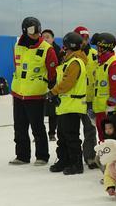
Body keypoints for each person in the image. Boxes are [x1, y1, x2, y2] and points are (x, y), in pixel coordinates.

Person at [10, 17, 58, 166]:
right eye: (32, 30)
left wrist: (52, 90)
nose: (37, 33)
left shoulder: (47, 49)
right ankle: (22, 155)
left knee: (37, 127)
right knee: (19, 126)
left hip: (36, 94)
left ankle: (42, 156)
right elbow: (17, 67)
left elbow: (53, 73)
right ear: (25, 30)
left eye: (38, 30)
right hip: (18, 93)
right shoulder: (17, 46)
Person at [47, 32, 88, 175]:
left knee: (71, 136)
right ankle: (64, 160)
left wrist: (53, 92)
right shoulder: (69, 61)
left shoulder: (75, 62)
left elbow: (67, 83)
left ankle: (76, 164)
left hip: (72, 104)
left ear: (67, 45)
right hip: (65, 104)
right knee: (62, 135)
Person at [73, 26, 99, 169]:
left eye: (86, 38)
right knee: (72, 130)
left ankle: (90, 156)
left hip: (90, 99)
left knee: (90, 129)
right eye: (81, 38)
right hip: (74, 98)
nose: (84, 41)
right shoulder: (70, 54)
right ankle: (73, 156)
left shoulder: (95, 54)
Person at [91, 33, 116, 143]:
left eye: (98, 47)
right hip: (100, 108)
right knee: (102, 138)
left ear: (104, 47)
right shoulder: (100, 64)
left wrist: (111, 105)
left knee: (111, 139)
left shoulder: (114, 64)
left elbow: (115, 86)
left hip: (109, 110)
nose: (97, 49)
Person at [41, 29, 62, 142]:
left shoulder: (59, 51)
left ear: (53, 38)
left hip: (54, 84)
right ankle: (40, 133)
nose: (45, 39)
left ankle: (52, 133)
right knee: (39, 111)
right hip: (40, 84)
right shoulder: (37, 50)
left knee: (53, 111)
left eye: (47, 37)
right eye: (43, 37)